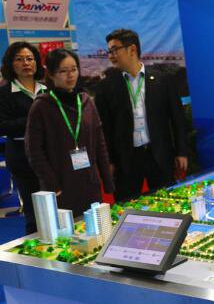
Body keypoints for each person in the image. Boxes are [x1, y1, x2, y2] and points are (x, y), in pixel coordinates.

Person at [95, 29, 188, 201]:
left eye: (115, 50)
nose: (111, 56)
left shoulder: (162, 80)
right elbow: (105, 129)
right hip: (126, 160)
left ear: (132, 49)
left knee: (166, 202)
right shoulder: (106, 86)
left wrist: (181, 152)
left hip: (159, 154)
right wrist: (109, 161)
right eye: (109, 51)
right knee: (127, 207)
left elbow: (177, 118)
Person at [25, 48, 114, 216]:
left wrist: (107, 181)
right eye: (63, 71)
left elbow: (100, 143)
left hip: (89, 183)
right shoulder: (42, 106)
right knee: (68, 229)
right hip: (61, 186)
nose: (70, 75)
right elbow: (34, 151)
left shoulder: (86, 101)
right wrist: (53, 185)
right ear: (51, 75)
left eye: (73, 69)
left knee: (95, 226)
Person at [0, 42, 46, 234]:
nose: (26, 63)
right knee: (34, 209)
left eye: (30, 59)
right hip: (21, 155)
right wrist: (33, 120)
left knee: (56, 204)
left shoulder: (47, 89)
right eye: (19, 59)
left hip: (49, 153)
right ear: (11, 64)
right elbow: (2, 126)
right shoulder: (4, 93)